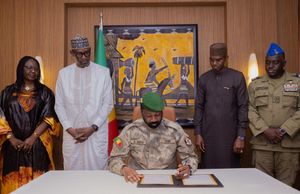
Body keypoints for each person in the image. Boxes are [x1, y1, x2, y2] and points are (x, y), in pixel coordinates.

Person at [0, 56, 60, 194]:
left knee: (39, 183)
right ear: (21, 69)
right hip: (13, 146)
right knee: (12, 182)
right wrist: (11, 138)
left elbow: (49, 117)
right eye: (29, 67)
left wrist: (33, 138)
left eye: (36, 68)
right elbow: (0, 114)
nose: (33, 71)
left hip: (37, 145)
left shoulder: (46, 93)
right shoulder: (7, 92)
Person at [108, 92, 198, 183]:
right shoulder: (130, 131)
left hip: (168, 177)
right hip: (137, 177)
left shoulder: (175, 130)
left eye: (157, 115)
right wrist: (124, 169)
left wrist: (188, 167)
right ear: (142, 112)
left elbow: (191, 157)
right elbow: (113, 159)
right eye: (149, 116)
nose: (154, 119)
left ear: (162, 112)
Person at [55, 35, 113, 170]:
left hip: (96, 133)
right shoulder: (63, 74)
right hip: (72, 134)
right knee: (73, 173)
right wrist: (69, 129)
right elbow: (59, 105)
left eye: (87, 52)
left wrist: (93, 127)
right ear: (72, 53)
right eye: (80, 54)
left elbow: (108, 104)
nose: (84, 57)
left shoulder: (103, 73)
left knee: (97, 172)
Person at [248, 43, 300, 186]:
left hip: (288, 146)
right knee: (262, 187)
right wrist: (266, 130)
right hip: (263, 145)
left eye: (275, 62)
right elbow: (250, 110)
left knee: (286, 188)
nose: (270, 66)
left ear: (284, 63)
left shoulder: (297, 83)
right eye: (267, 62)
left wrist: (283, 130)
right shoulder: (255, 85)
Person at [194, 43, 248, 168]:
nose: (214, 63)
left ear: (226, 58)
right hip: (208, 137)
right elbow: (199, 107)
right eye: (211, 60)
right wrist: (198, 133)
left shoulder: (237, 77)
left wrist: (241, 136)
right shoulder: (204, 79)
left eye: (218, 60)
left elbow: (243, 107)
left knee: (230, 174)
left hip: (230, 136)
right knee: (209, 173)